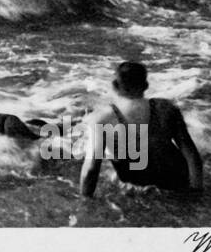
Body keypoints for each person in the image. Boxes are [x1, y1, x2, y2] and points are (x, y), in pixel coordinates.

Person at [79, 61, 204, 197]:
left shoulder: (103, 119)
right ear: (146, 86)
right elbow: (192, 155)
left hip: (139, 189)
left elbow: (91, 170)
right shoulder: (167, 109)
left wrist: (84, 203)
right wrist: (196, 191)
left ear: (115, 86)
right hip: (176, 181)